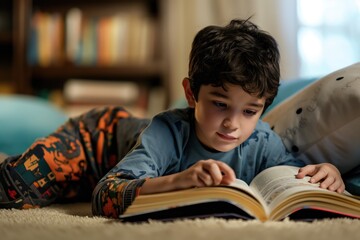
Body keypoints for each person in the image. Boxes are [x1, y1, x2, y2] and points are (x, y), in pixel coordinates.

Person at [0, 19, 344, 217]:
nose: (233, 124)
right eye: (220, 104)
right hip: (92, 142)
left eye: (250, 111)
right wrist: (181, 180)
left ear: (263, 108)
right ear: (191, 93)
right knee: (15, 189)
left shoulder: (263, 142)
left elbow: (292, 177)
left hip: (122, 166)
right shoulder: (168, 130)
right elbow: (105, 196)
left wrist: (326, 174)